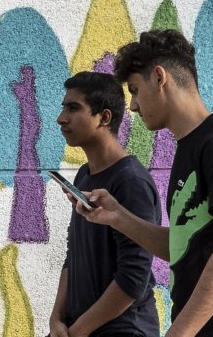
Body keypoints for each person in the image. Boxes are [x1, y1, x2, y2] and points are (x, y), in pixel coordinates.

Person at [78, 29, 213, 337]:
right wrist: (117, 216)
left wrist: (179, 333)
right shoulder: (190, 147)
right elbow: (186, 246)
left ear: (160, 77)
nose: (132, 105)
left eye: (135, 89)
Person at [50, 72, 159, 337]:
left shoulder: (130, 181)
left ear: (104, 118)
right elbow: (73, 255)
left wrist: (79, 330)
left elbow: (134, 276)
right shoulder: (84, 175)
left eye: (74, 108)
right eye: (63, 107)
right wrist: (56, 319)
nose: (61, 118)